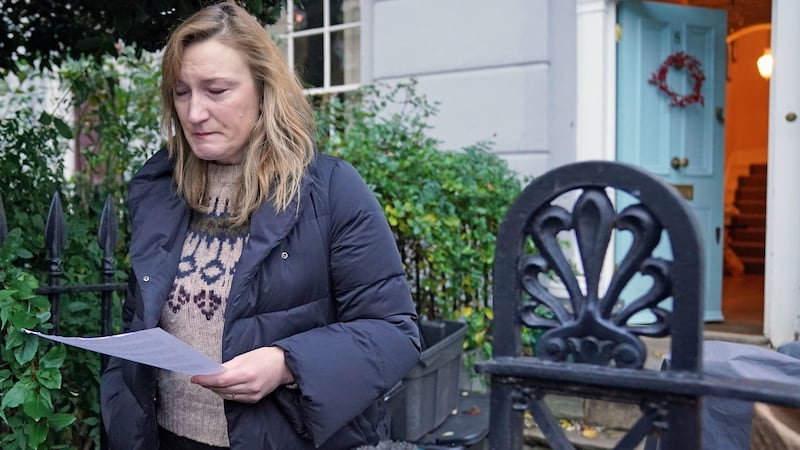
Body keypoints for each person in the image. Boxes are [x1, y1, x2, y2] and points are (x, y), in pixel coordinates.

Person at [99, 2, 421, 449]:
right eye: (181, 92)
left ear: (264, 89)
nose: (194, 114)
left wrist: (287, 363)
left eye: (216, 90)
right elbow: (139, 322)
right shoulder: (159, 191)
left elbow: (394, 332)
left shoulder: (329, 190)